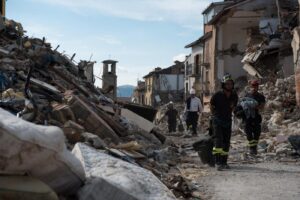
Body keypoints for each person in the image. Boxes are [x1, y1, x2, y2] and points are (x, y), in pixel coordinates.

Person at [210, 74, 238, 170]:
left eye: (230, 84)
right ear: (223, 85)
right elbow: (211, 105)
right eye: (227, 84)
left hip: (227, 121)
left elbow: (234, 106)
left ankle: (224, 162)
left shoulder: (234, 95)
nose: (229, 85)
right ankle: (217, 162)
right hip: (217, 120)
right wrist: (214, 115)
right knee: (218, 141)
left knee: (226, 142)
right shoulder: (217, 95)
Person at [244, 80, 265, 155]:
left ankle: (254, 148)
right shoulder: (247, 95)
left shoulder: (260, 96)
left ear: (258, 87)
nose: (254, 87)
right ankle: (251, 148)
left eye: (256, 86)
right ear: (250, 86)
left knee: (257, 133)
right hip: (248, 117)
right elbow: (243, 103)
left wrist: (255, 106)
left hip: (256, 116)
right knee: (248, 132)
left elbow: (262, 107)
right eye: (253, 86)